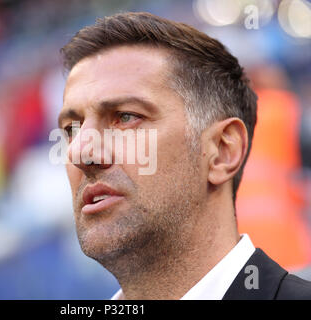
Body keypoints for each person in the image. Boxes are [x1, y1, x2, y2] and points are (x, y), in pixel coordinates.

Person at [57, 12, 311, 300]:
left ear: (222, 150)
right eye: (71, 129)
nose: (79, 151)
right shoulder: (283, 111)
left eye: (126, 116)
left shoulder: (280, 112)